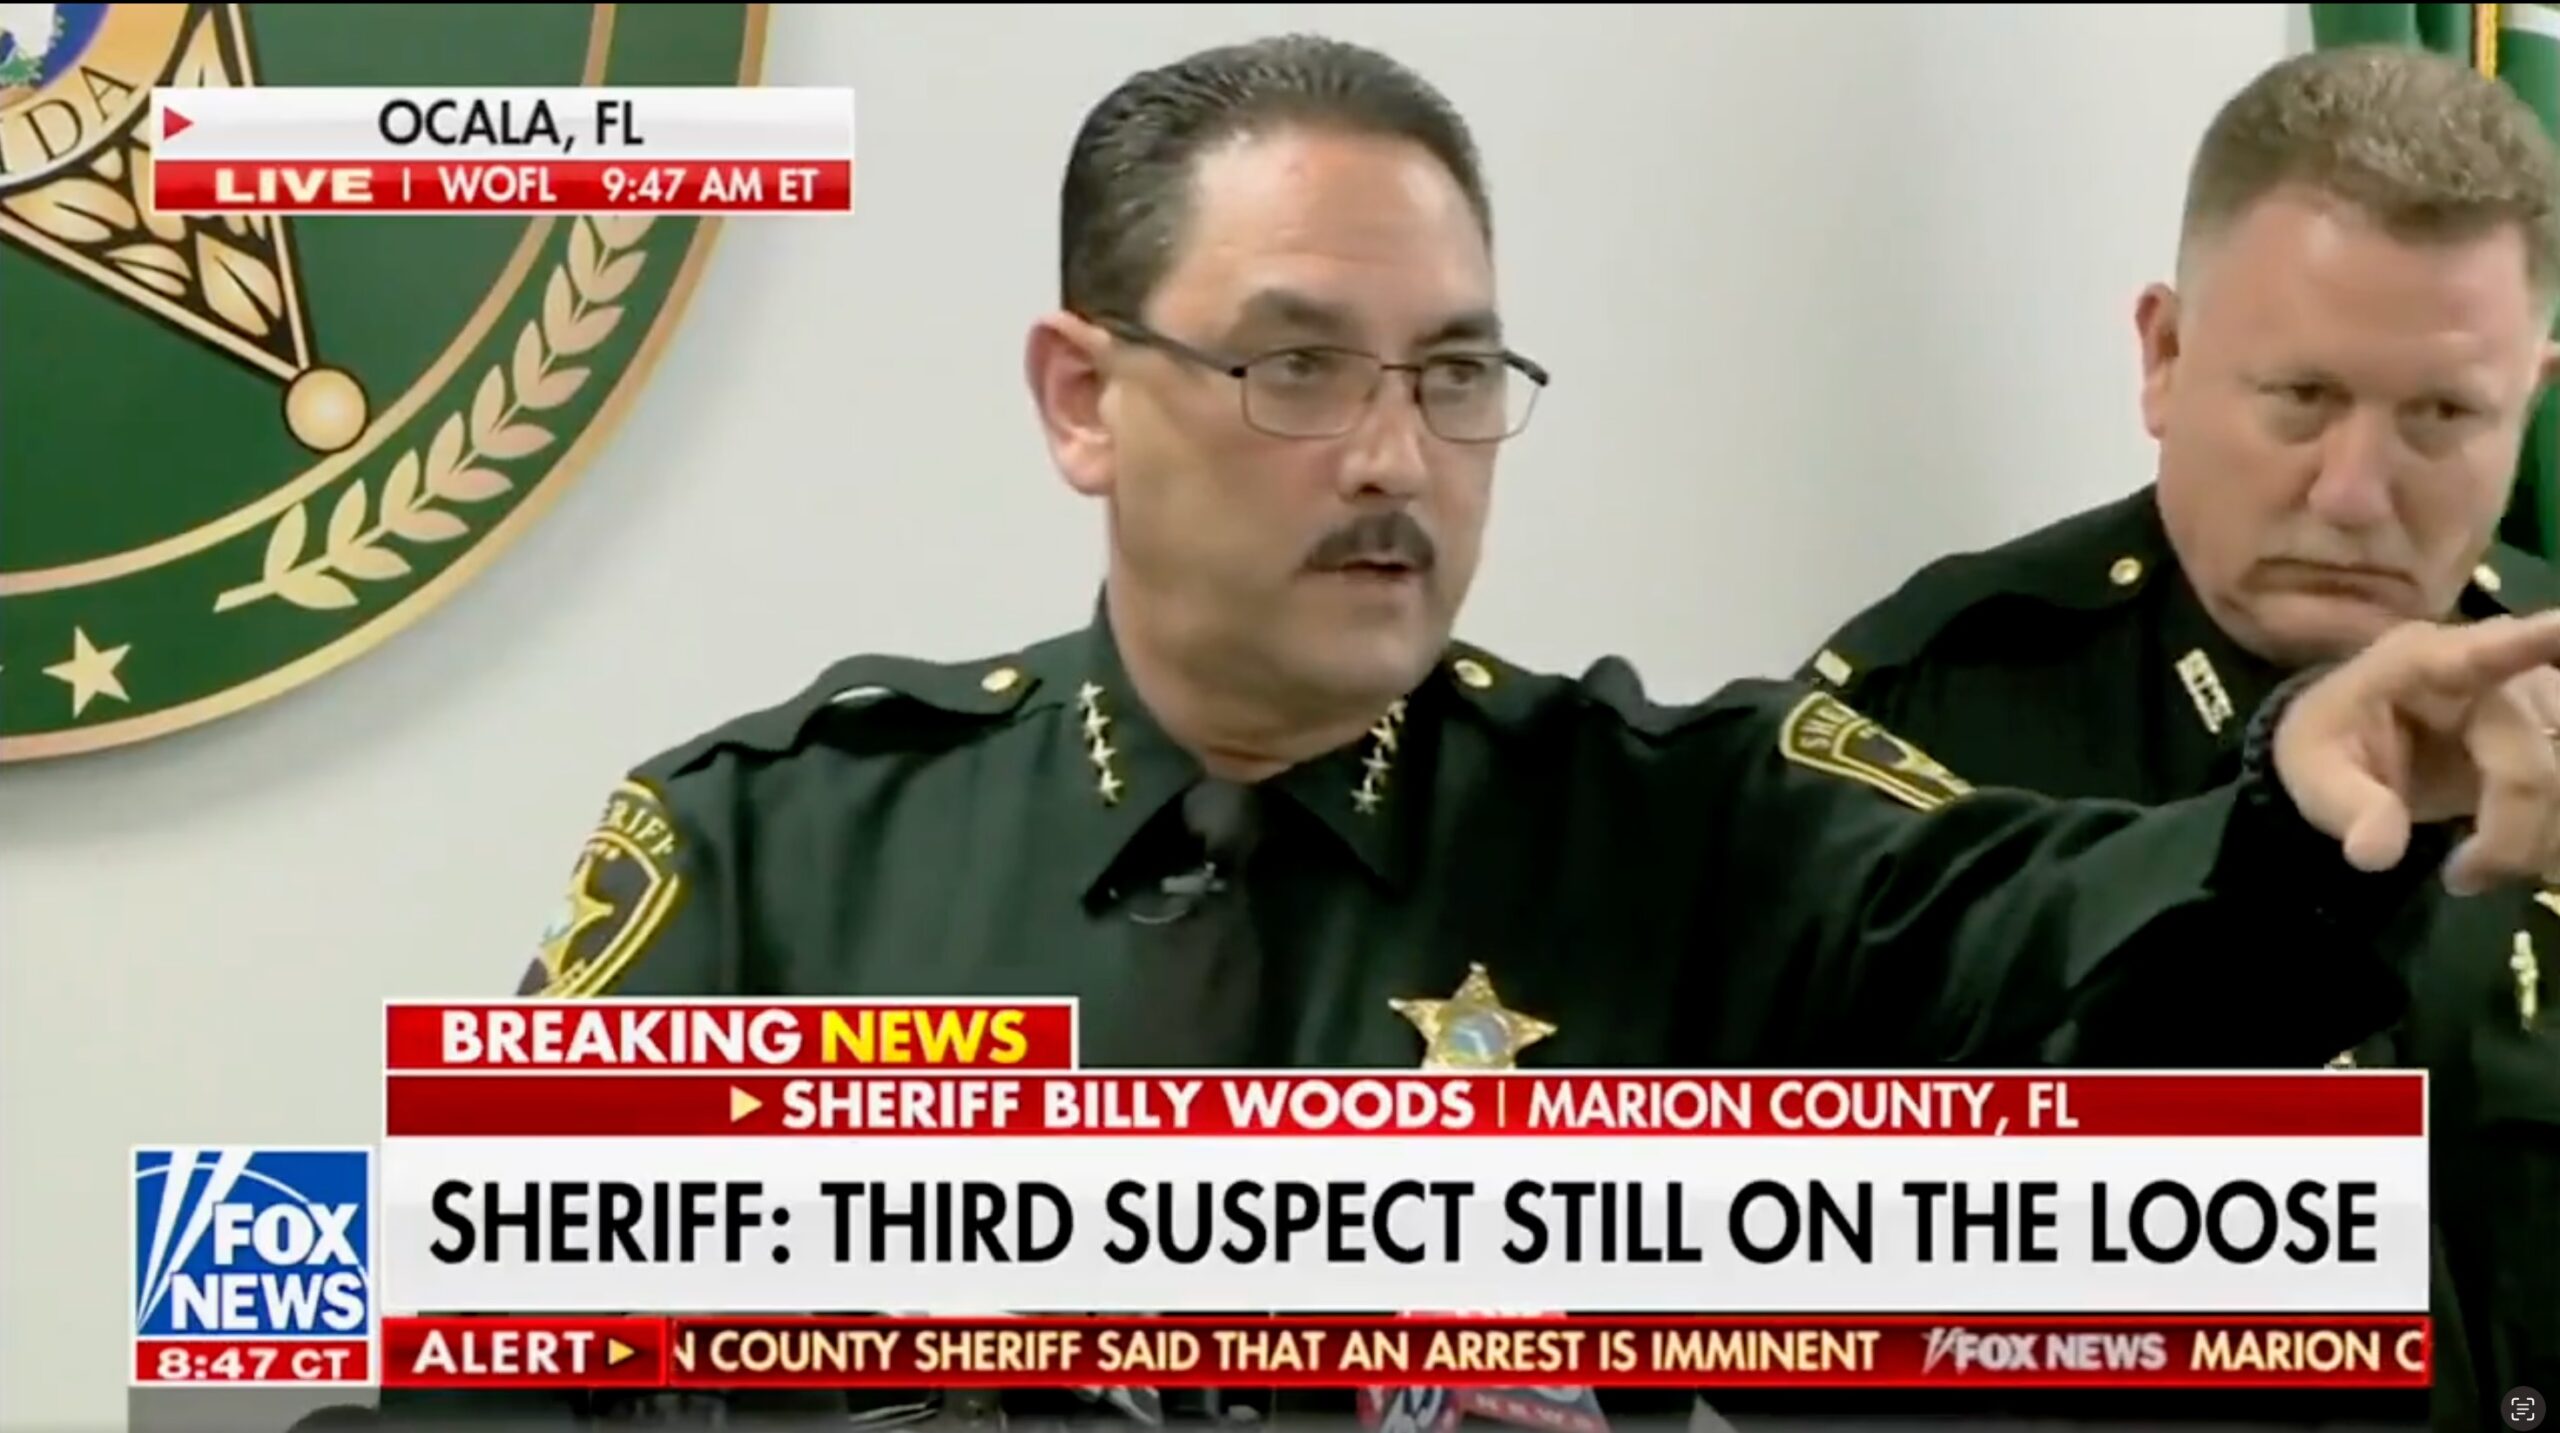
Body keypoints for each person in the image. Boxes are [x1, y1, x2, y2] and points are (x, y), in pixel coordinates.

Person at [388, 35, 2560, 1431]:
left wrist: (2301, 811)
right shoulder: (775, 860)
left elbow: (2041, 941)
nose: (1392, 459)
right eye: (1297, 368)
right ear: (1083, 397)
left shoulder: (1686, 831)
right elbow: (459, 1389)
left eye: (1453, 375)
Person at [1795, 44, 2560, 1433]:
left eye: (2443, 415)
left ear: (2532, 400)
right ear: (2163, 355)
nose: (2354, 491)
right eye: (2302, 397)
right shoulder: (1923, 721)